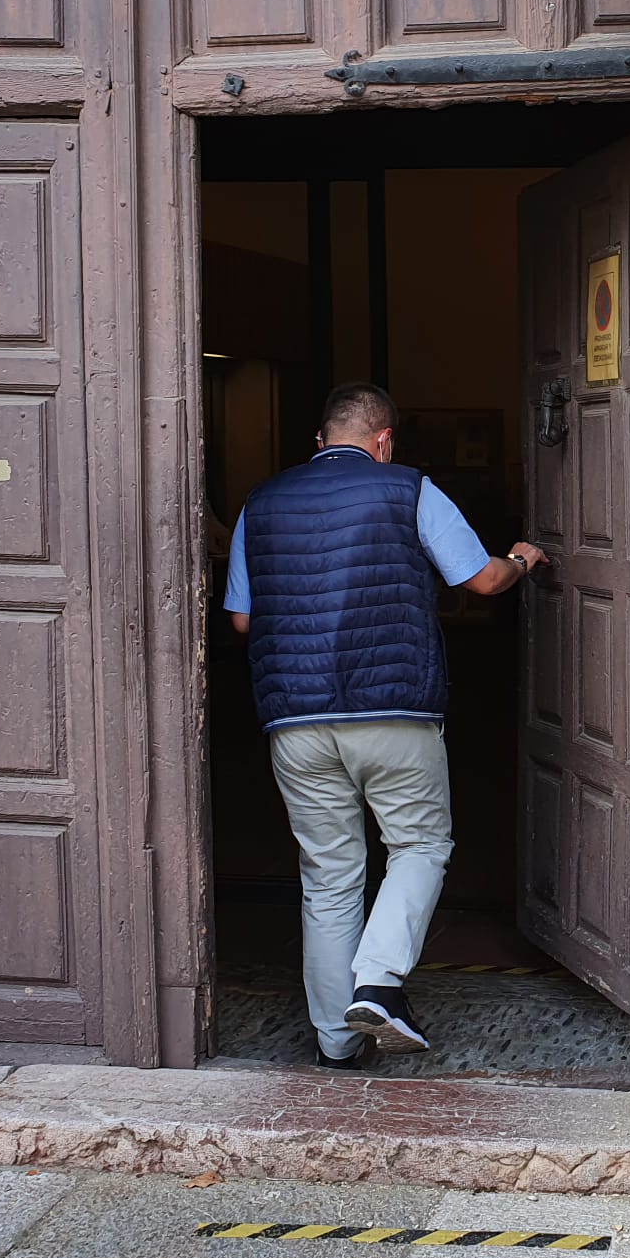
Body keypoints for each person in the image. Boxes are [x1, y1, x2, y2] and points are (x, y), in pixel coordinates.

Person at [224, 382, 546, 1068]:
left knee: (330, 873)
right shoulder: (408, 489)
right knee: (420, 846)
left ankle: (337, 1044)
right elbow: (481, 581)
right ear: (385, 441)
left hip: (295, 716)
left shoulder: (260, 502)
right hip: (392, 708)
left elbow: (243, 620)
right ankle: (379, 981)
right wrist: (522, 559)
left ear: (319, 441)